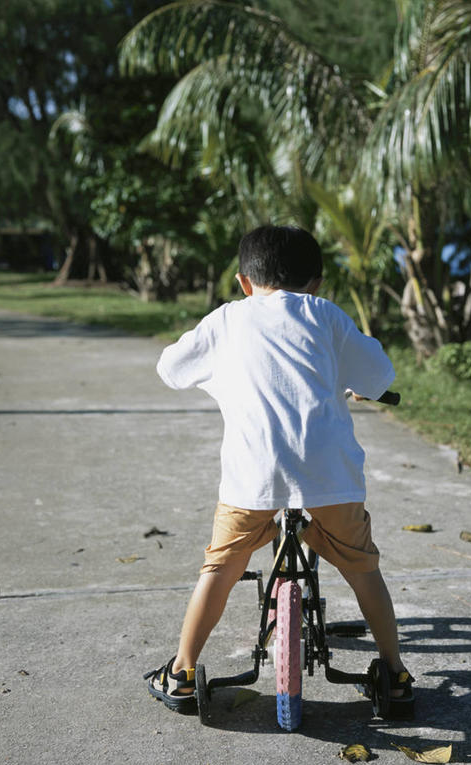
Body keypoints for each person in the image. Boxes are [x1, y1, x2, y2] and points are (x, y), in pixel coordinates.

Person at [145, 225, 414, 716]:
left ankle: (182, 671)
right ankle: (394, 673)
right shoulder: (326, 315)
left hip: (253, 479)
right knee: (363, 569)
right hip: (330, 479)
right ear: (316, 283)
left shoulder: (228, 319)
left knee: (221, 567)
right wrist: (356, 383)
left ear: (244, 282)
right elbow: (379, 375)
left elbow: (171, 368)